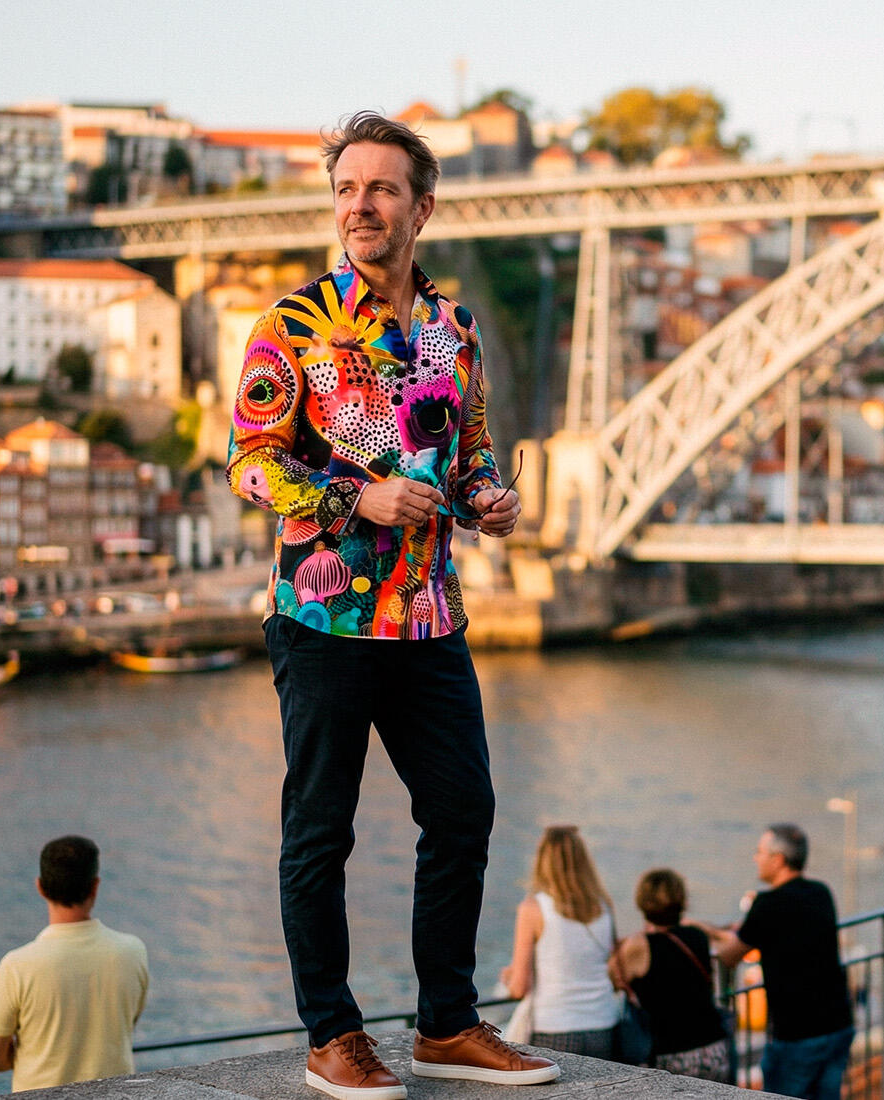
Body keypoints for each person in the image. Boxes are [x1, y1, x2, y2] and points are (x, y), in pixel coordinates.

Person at [227, 109, 555, 1100]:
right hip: (323, 620)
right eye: (345, 188)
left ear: (421, 205)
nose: (359, 206)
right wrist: (351, 495)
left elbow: (469, 455)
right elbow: (247, 463)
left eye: (379, 188)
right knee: (319, 827)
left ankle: (447, 1022)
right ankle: (332, 1032)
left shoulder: (454, 331)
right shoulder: (291, 324)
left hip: (426, 617)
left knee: (463, 809)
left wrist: (486, 498)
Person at [0, 836, 150, 1093]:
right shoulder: (132, 951)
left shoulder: (18, 965)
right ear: (95, 886)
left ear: (40, 887)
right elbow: (127, 1023)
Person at [711, 824, 854, 1100]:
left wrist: (704, 932)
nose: (755, 857)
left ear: (778, 859)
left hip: (797, 1033)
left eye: (760, 852)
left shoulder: (767, 904)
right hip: (837, 1023)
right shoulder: (820, 892)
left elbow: (729, 956)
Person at [498, 826, 622, 1058]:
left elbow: (519, 987)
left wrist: (509, 976)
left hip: (554, 1028)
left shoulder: (533, 908)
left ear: (543, 861)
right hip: (605, 1024)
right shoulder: (604, 906)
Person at [610, 868, 733, 1083]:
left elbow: (612, 976)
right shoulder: (698, 936)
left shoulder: (638, 945)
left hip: (671, 1055)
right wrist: (697, 923)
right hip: (714, 1049)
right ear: (682, 902)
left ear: (642, 902)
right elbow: (726, 941)